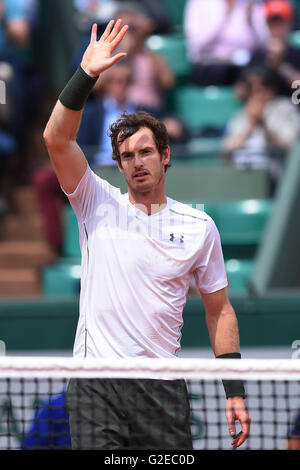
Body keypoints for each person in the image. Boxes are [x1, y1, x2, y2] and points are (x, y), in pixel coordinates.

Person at [43, 19, 251, 450]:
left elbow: (220, 311)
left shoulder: (199, 228)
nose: (137, 162)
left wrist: (234, 390)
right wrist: (87, 75)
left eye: (145, 152)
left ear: (165, 155)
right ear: (118, 165)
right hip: (96, 385)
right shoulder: (95, 202)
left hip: (161, 389)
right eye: (126, 156)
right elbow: (56, 138)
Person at [221, 65, 300, 195]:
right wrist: (251, 126)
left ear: (271, 90)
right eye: (251, 90)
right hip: (241, 179)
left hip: (276, 180)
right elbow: (225, 152)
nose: (255, 95)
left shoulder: (286, 109)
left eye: (260, 89)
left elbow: (290, 148)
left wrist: (263, 125)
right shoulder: (241, 114)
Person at [184, 0, 268, 86]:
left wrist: (251, 23)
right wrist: (225, 15)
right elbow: (196, 44)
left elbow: (262, 46)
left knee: (259, 69)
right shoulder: (199, 3)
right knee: (219, 71)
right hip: (210, 64)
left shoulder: (250, 4)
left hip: (244, 63)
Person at [250, 0, 300, 97]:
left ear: (289, 23)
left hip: (291, 108)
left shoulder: (297, 55)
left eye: (280, 22)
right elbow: (240, 91)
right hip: (263, 108)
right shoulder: (258, 55)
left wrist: (280, 66)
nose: (276, 27)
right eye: (272, 22)